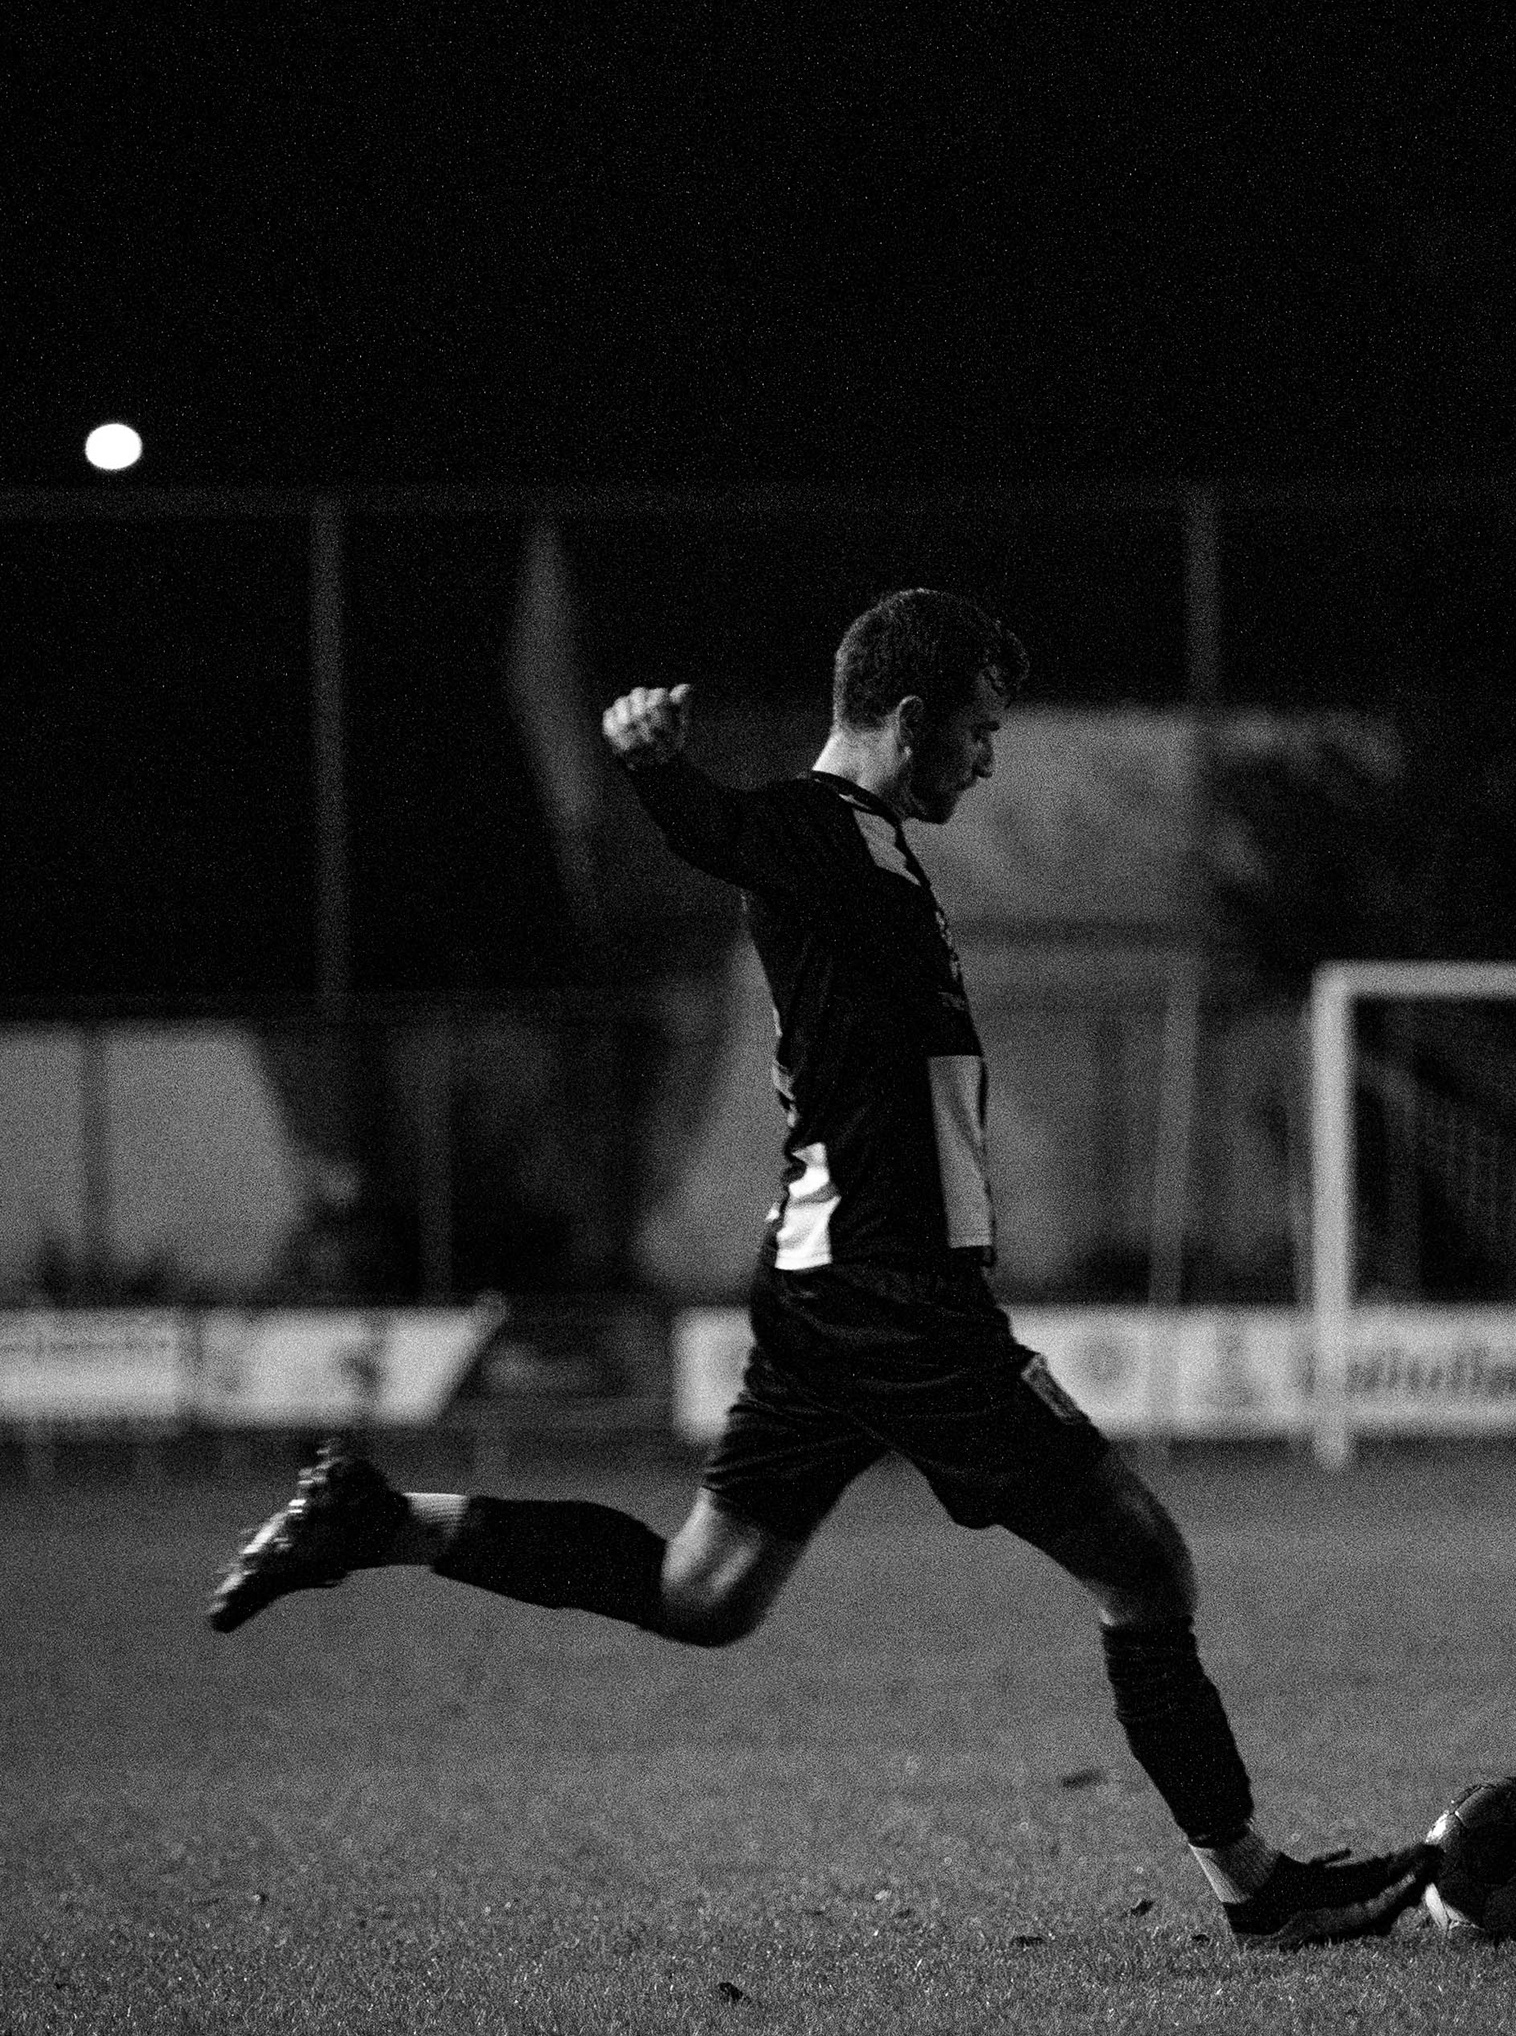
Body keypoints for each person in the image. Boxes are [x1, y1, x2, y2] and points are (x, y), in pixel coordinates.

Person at [209, 589, 1436, 1948]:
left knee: (703, 1594)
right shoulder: (818, 825)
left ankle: (382, 1519)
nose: (989, 757)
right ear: (907, 718)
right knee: (1144, 1565)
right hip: (896, 1300)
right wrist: (653, 763)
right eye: (978, 730)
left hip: (825, 1292)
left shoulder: (870, 846)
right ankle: (1259, 1889)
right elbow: (724, 834)